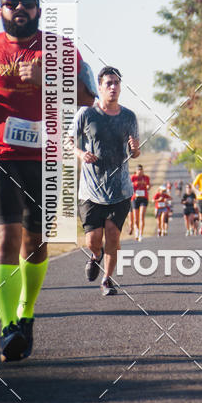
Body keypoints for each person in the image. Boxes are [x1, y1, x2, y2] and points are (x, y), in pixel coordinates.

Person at [0, 0, 95, 361]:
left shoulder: (60, 48)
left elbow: (87, 99)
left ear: (38, 10)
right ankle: (8, 326)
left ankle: (26, 312)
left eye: (28, 2)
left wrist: (48, 81)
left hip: (45, 155)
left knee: (35, 242)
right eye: (12, 3)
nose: (20, 8)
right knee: (5, 238)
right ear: (1, 11)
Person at [75, 66, 139, 296]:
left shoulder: (129, 116)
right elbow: (68, 142)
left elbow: (135, 152)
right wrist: (81, 154)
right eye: (108, 83)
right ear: (100, 87)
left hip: (120, 189)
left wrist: (135, 149)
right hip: (90, 190)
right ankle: (96, 255)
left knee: (113, 234)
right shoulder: (86, 114)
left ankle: (107, 280)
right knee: (93, 240)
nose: (113, 87)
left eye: (116, 83)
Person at [130, 163, 150, 241]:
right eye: (138, 170)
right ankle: (136, 232)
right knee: (135, 218)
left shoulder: (146, 177)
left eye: (141, 170)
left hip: (144, 198)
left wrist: (146, 185)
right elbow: (129, 186)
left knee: (141, 216)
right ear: (136, 171)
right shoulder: (133, 177)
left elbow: (148, 186)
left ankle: (141, 234)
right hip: (135, 198)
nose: (140, 171)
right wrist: (136, 183)